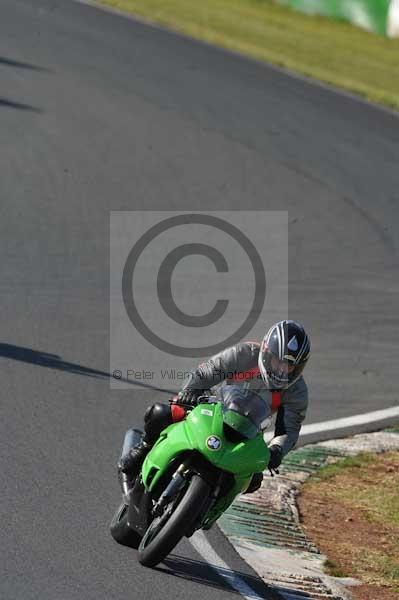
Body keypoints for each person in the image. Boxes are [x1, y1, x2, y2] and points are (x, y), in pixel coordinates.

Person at [119, 320, 310, 493]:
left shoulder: (297, 392)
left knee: (252, 480)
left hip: (250, 431)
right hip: (215, 409)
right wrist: (190, 392)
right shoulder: (244, 354)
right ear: (267, 352)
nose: (281, 370)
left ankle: (210, 505)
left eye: (289, 366)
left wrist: (277, 449)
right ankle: (143, 448)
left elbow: (289, 430)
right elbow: (206, 372)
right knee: (163, 413)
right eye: (278, 361)